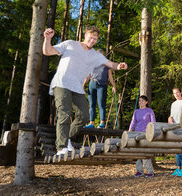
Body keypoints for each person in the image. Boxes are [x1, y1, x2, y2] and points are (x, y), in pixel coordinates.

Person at [43, 26, 128, 156]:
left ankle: (67, 139)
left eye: (95, 39)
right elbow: (47, 51)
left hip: (77, 87)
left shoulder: (95, 55)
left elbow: (110, 64)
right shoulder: (70, 44)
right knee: (64, 114)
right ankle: (61, 147)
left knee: (84, 116)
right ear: (85, 36)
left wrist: (119, 66)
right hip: (62, 83)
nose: (92, 40)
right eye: (90, 37)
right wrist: (47, 39)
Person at [83, 49, 116, 129]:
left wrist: (114, 86)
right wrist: (83, 85)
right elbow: (88, 76)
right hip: (92, 84)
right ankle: (91, 123)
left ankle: (102, 123)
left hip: (102, 85)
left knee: (101, 104)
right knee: (92, 105)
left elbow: (110, 77)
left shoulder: (107, 64)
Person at [129, 95, 156, 177]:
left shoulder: (149, 111)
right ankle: (139, 171)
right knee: (137, 153)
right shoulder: (136, 111)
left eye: (143, 101)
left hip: (146, 134)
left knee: (145, 153)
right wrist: (130, 131)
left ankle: (150, 171)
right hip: (137, 133)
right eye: (140, 101)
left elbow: (153, 122)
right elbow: (133, 122)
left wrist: (153, 132)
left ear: (146, 102)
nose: (141, 102)